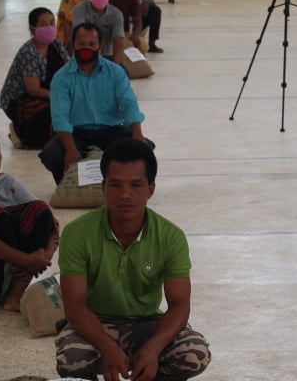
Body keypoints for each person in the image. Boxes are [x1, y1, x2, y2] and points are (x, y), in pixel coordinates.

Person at [56, 139, 210, 381]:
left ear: (151, 189)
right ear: (103, 186)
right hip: (95, 324)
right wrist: (107, 347)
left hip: (148, 324)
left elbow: (180, 304)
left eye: (136, 185)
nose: (125, 194)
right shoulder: (78, 233)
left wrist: (154, 347)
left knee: (194, 354)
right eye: (115, 185)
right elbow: (74, 305)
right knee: (72, 358)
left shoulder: (170, 236)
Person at [39, 23, 154, 185]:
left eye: (92, 44)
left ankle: (120, 185)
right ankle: (66, 184)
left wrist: (137, 132)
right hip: (76, 132)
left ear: (100, 46)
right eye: (81, 44)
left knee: (143, 149)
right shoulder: (61, 77)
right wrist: (71, 149)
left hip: (111, 130)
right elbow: (60, 117)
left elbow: (129, 104)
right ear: (73, 45)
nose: (86, 48)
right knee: (52, 154)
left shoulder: (115, 72)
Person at [0, 128, 59, 312]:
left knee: (40, 210)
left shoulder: (7, 183)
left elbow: (52, 222)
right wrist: (27, 260)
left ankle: (14, 296)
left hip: (13, 272)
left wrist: (44, 258)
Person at [0, 7, 71, 149]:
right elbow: (33, 89)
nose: (50, 27)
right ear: (33, 29)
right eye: (44, 24)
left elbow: (69, 69)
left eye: (52, 23)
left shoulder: (56, 45)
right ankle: (19, 131)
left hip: (49, 93)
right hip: (21, 100)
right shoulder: (29, 52)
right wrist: (59, 96)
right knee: (48, 123)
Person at [72, 0, 126, 64]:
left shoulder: (116, 14)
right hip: (84, 54)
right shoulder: (79, 9)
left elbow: (118, 42)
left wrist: (115, 68)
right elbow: (78, 35)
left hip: (107, 56)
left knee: (124, 72)